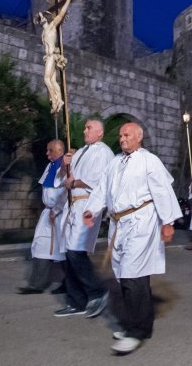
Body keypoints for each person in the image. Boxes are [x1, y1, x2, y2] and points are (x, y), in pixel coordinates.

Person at [84, 122, 182, 355]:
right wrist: (92, 209)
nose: (122, 138)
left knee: (132, 275)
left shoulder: (149, 161)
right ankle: (141, 325)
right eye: (120, 135)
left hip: (141, 222)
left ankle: (135, 331)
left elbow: (162, 191)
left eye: (127, 134)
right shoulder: (115, 163)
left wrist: (167, 222)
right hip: (119, 224)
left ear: (139, 137)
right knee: (126, 276)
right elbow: (101, 189)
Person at [55, 118, 114, 318]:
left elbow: (97, 180)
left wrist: (73, 183)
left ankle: (97, 291)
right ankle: (76, 301)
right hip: (72, 205)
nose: (85, 131)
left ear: (100, 133)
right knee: (68, 252)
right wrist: (64, 165)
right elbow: (65, 179)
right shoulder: (79, 152)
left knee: (75, 251)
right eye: (85, 127)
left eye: (89, 128)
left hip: (88, 204)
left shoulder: (104, 152)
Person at [20, 140, 68, 294]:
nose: (47, 154)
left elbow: (66, 192)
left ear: (59, 150)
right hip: (48, 212)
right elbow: (47, 190)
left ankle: (70, 284)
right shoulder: (50, 166)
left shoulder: (66, 167)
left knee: (65, 250)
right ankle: (36, 284)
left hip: (61, 214)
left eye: (50, 150)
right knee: (41, 245)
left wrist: (57, 209)